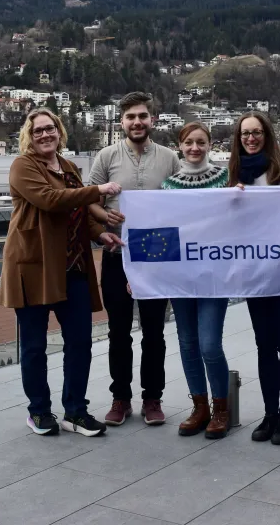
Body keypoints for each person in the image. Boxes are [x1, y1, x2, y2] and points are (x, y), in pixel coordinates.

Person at [1, 107, 123, 437]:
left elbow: (79, 211)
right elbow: (51, 200)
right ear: (29, 136)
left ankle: (75, 411)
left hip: (73, 266)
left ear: (59, 132)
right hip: (34, 266)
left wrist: (100, 233)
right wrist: (99, 190)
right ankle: (39, 411)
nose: (44, 134)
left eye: (49, 129)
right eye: (37, 130)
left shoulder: (68, 167)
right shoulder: (23, 166)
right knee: (34, 346)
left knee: (80, 342)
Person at [88, 91, 180, 426]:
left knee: (154, 332)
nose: (137, 122)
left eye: (142, 116)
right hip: (117, 253)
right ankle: (120, 398)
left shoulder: (170, 158)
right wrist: (103, 216)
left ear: (152, 120)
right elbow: (89, 199)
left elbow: (185, 200)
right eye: (130, 117)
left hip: (158, 257)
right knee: (118, 332)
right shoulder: (105, 157)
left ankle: (152, 399)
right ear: (122, 122)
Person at [228, 111, 280, 446]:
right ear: (238, 138)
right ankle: (269, 413)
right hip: (255, 272)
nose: (251, 138)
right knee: (264, 346)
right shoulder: (233, 173)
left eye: (257, 132)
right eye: (245, 133)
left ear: (267, 134)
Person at [161, 122, 231, 438]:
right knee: (187, 343)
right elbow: (160, 231)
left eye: (201, 142)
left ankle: (222, 408)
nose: (194, 148)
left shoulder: (225, 179)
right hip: (181, 277)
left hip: (214, 275)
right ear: (180, 145)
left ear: (210, 144)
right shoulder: (169, 185)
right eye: (189, 142)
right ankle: (199, 406)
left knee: (210, 344)